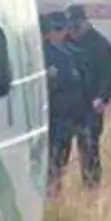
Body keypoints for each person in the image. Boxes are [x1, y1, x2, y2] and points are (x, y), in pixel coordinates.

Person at [65, 4, 111, 189]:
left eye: (75, 26)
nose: (72, 31)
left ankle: (91, 191)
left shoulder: (100, 45)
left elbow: (107, 76)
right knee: (60, 152)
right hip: (67, 106)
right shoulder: (65, 42)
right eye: (69, 26)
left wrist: (101, 98)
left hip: (90, 107)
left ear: (85, 23)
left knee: (88, 151)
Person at [41, 12, 93, 192]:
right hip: (48, 116)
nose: (61, 33)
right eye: (57, 29)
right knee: (49, 159)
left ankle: (55, 191)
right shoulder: (42, 56)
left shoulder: (70, 56)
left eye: (62, 29)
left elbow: (80, 88)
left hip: (65, 117)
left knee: (59, 160)